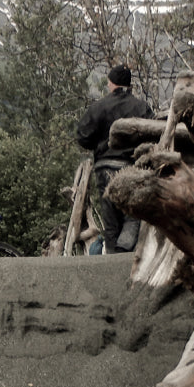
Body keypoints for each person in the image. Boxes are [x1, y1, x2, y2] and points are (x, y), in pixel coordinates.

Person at [76, 65, 153, 254]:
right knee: (133, 215)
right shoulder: (141, 107)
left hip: (105, 167)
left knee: (110, 218)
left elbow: (82, 136)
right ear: (128, 84)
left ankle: (111, 257)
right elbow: (153, 134)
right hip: (131, 167)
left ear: (111, 83)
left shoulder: (99, 106)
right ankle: (124, 250)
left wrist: (99, 143)